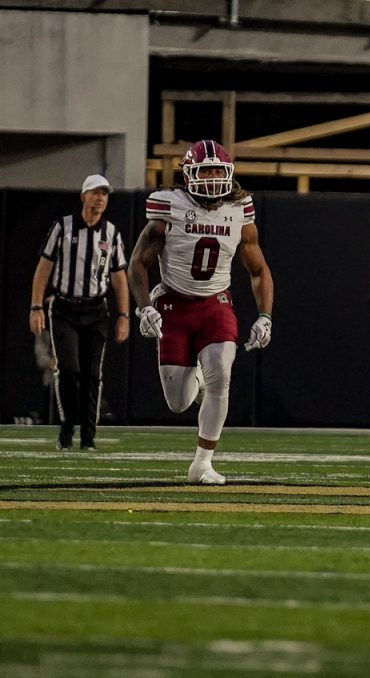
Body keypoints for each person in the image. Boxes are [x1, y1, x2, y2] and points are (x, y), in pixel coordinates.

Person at [127, 140, 275, 485]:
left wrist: (265, 315)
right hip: (173, 304)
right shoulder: (169, 206)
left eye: (216, 171)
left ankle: (202, 463)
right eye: (204, 171)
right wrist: (144, 308)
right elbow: (138, 263)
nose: (210, 178)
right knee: (178, 403)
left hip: (215, 304)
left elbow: (258, 270)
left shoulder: (240, 208)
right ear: (188, 175)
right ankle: (195, 376)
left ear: (228, 174)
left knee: (221, 375)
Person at [28, 174, 130, 451]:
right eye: (95, 193)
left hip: (96, 309)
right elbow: (43, 268)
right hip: (64, 308)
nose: (99, 199)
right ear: (83, 196)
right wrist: (36, 306)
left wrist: (124, 315)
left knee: (92, 374)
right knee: (70, 369)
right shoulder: (63, 227)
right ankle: (67, 425)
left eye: (104, 194)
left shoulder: (111, 233)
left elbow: (119, 276)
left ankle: (88, 437)